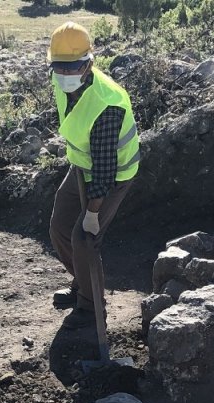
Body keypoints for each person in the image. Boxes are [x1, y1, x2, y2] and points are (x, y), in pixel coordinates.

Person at [46, 21, 141, 329]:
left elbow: (105, 169)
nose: (64, 75)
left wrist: (92, 214)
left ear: (89, 63)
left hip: (113, 174)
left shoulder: (107, 104)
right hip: (82, 165)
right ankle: (84, 283)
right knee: (60, 226)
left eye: (72, 68)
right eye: (59, 68)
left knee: (84, 238)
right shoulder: (62, 82)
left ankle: (90, 306)